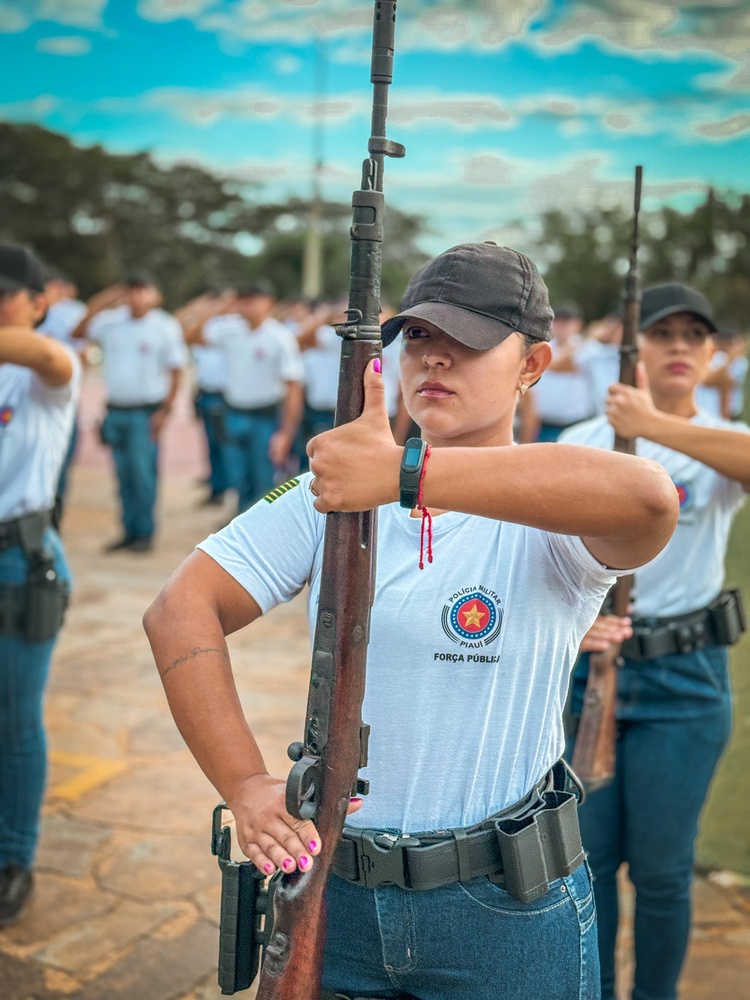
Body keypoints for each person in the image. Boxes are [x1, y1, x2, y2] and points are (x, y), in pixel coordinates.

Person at [143, 242, 678, 1000]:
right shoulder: (330, 493)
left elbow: (650, 499)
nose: (436, 359)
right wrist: (246, 785)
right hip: (338, 895)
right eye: (420, 336)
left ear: (533, 366)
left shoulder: (552, 505)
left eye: (471, 342)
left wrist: (406, 473)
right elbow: (178, 611)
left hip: (505, 910)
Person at [561, 282, 750, 1000]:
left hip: (685, 678)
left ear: (710, 354)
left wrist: (650, 424)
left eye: (693, 336)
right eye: (662, 334)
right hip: (587, 678)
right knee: (591, 860)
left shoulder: (721, 445)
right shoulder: (579, 442)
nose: (678, 347)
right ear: (629, 351)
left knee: (665, 869)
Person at [0, 244, 81, 924]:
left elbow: (52, 359)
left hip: (17, 561)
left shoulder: (46, 371)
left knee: (15, 720)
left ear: (37, 304)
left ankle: (12, 858)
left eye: (5, 297)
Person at [72, 273, 186, 552]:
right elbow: (78, 331)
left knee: (143, 475)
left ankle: (144, 533)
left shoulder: (164, 325)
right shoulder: (111, 321)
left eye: (143, 291)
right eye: (131, 291)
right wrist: (107, 298)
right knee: (123, 475)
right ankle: (128, 531)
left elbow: (176, 371)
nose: (137, 297)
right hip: (116, 410)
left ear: (156, 296)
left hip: (145, 412)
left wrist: (165, 411)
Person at [181, 282, 304, 513]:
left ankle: (262, 530)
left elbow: (293, 387)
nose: (248, 306)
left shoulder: (280, 337)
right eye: (243, 300)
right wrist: (219, 306)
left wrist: (286, 434)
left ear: (269, 303)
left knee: (263, 479)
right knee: (237, 475)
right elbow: (192, 336)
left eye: (254, 300)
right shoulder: (229, 331)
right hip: (234, 412)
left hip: (265, 417)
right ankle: (240, 521)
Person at [37, 269, 88, 529]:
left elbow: (83, 354)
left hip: (58, 391)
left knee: (57, 463)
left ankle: (52, 521)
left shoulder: (72, 311)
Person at [522, 302, 597, 442]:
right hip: (542, 425)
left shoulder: (588, 349)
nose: (561, 327)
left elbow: (559, 365)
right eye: (558, 321)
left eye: (567, 322)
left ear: (578, 325)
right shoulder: (544, 346)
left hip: (575, 425)